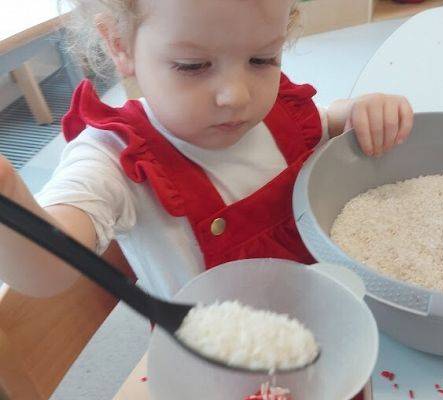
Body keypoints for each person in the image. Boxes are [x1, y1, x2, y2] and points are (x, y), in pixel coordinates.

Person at [0, 0, 413, 397]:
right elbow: (48, 270)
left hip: (331, 336)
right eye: (193, 66)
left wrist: (359, 111)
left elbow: (327, 123)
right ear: (119, 44)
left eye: (262, 59)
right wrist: (9, 193)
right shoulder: (112, 158)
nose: (236, 95)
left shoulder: (279, 113)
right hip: (216, 370)